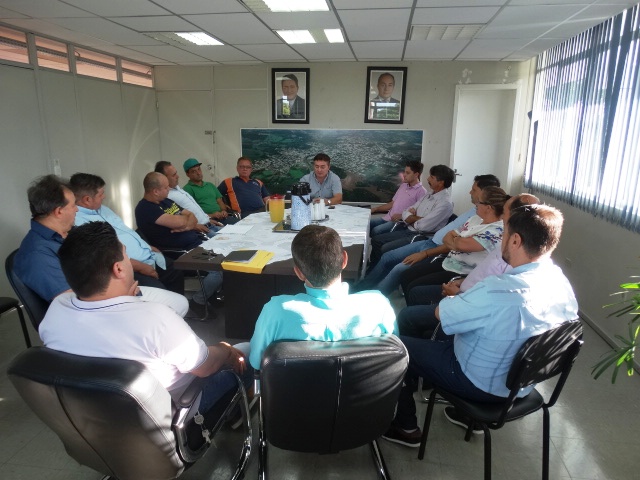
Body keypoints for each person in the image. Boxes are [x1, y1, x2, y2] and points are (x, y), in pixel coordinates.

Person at [382, 204, 578, 447]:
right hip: (522, 385)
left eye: (504, 234)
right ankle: (464, 415)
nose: (501, 240)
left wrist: (459, 299)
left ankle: (406, 427)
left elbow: (441, 312)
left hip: (479, 383)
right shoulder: (562, 285)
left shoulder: (497, 289)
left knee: (396, 348)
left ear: (515, 240)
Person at [40, 221, 250, 418]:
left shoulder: (55, 311)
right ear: (119, 269)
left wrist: (129, 304)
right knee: (250, 350)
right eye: (125, 255)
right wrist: (226, 349)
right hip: (175, 409)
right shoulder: (156, 318)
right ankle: (231, 414)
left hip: (100, 415)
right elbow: (205, 367)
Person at [14, 175, 189, 316]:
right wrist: (121, 297)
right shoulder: (36, 254)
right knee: (169, 312)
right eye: (73, 205)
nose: (77, 209)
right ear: (59, 211)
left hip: (112, 291)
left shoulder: (70, 233)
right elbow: (71, 303)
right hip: (98, 310)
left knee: (179, 304)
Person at [249, 225, 397, 370]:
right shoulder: (378, 305)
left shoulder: (276, 311)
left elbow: (256, 362)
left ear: (298, 273)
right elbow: (393, 356)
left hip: (293, 393)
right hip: (362, 393)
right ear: (344, 260)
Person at [397, 193, 540, 339]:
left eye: (505, 211)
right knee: (409, 280)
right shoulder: (496, 235)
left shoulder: (506, 245)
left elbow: (492, 295)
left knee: (409, 309)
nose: (502, 216)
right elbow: (450, 238)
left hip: (465, 294)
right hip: (461, 279)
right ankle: (425, 333)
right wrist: (462, 281)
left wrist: (458, 294)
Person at [358, 174, 501, 295]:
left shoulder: (479, 217)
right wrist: (453, 239)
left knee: (398, 269)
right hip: (430, 241)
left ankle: (375, 296)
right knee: (387, 256)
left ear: (485, 193)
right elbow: (450, 235)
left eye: (474, 189)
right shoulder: (474, 213)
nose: (470, 192)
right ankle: (363, 287)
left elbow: (452, 241)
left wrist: (427, 252)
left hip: (435, 249)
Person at [70, 173, 185, 296]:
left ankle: (179, 311)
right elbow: (105, 256)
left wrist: (146, 245)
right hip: (128, 268)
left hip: (148, 255)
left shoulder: (102, 209)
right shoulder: (78, 222)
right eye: (101, 194)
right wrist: (140, 267)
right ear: (87, 199)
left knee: (176, 270)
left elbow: (125, 231)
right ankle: (166, 311)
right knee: (159, 292)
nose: (104, 196)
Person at [135, 172, 223, 316]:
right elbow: (183, 219)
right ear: (155, 191)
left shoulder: (165, 201)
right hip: (181, 250)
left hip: (197, 240)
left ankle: (210, 295)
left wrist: (186, 225)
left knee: (230, 256)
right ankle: (198, 301)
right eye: (165, 187)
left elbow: (191, 217)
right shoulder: (146, 209)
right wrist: (184, 222)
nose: (169, 189)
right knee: (219, 269)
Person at [398, 186, 509, 297]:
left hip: (462, 272)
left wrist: (456, 241)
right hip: (448, 262)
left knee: (415, 289)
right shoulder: (475, 219)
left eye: (479, 202)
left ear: (488, 208)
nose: (476, 204)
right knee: (406, 275)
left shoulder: (496, 230)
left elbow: (459, 243)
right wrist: (457, 243)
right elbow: (447, 237)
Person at [369, 164, 455, 265]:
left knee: (384, 247)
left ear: (441, 182)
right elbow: (407, 211)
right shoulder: (429, 194)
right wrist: (414, 217)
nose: (428, 179)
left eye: (432, 177)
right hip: (408, 227)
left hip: (418, 235)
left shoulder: (445, 203)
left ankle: (380, 267)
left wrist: (410, 218)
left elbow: (423, 226)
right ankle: (376, 265)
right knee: (376, 239)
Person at [155, 161, 222, 237]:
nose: (178, 176)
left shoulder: (177, 188)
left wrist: (206, 219)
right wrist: (194, 226)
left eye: (176, 173)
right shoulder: (166, 197)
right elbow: (175, 220)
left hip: (209, 224)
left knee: (234, 235)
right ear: (164, 178)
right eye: (174, 175)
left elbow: (193, 208)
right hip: (201, 231)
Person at [370, 160, 427, 236]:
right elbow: (392, 203)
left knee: (376, 231)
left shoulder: (422, 192)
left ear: (416, 174)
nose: (404, 175)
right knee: (367, 224)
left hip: (400, 223)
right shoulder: (403, 186)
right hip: (387, 218)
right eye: (404, 172)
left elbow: (419, 214)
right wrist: (375, 209)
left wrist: (401, 216)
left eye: (408, 173)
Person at [182, 158, 236, 224]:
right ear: (187, 174)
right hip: (208, 221)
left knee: (242, 226)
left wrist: (224, 211)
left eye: (199, 169)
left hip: (223, 217)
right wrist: (211, 215)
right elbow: (192, 212)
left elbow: (220, 202)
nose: (198, 173)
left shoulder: (210, 185)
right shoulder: (187, 189)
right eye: (194, 171)